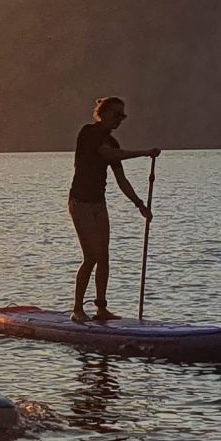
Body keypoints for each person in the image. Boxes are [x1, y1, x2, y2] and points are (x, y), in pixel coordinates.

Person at [69, 96, 157, 323]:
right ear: (104, 113)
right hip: (80, 203)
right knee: (91, 257)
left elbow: (121, 180)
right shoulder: (88, 133)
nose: (120, 120)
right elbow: (108, 154)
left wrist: (140, 205)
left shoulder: (112, 141)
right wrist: (144, 153)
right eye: (117, 114)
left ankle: (101, 308)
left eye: (123, 116)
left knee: (104, 256)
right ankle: (77, 310)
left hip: (99, 203)